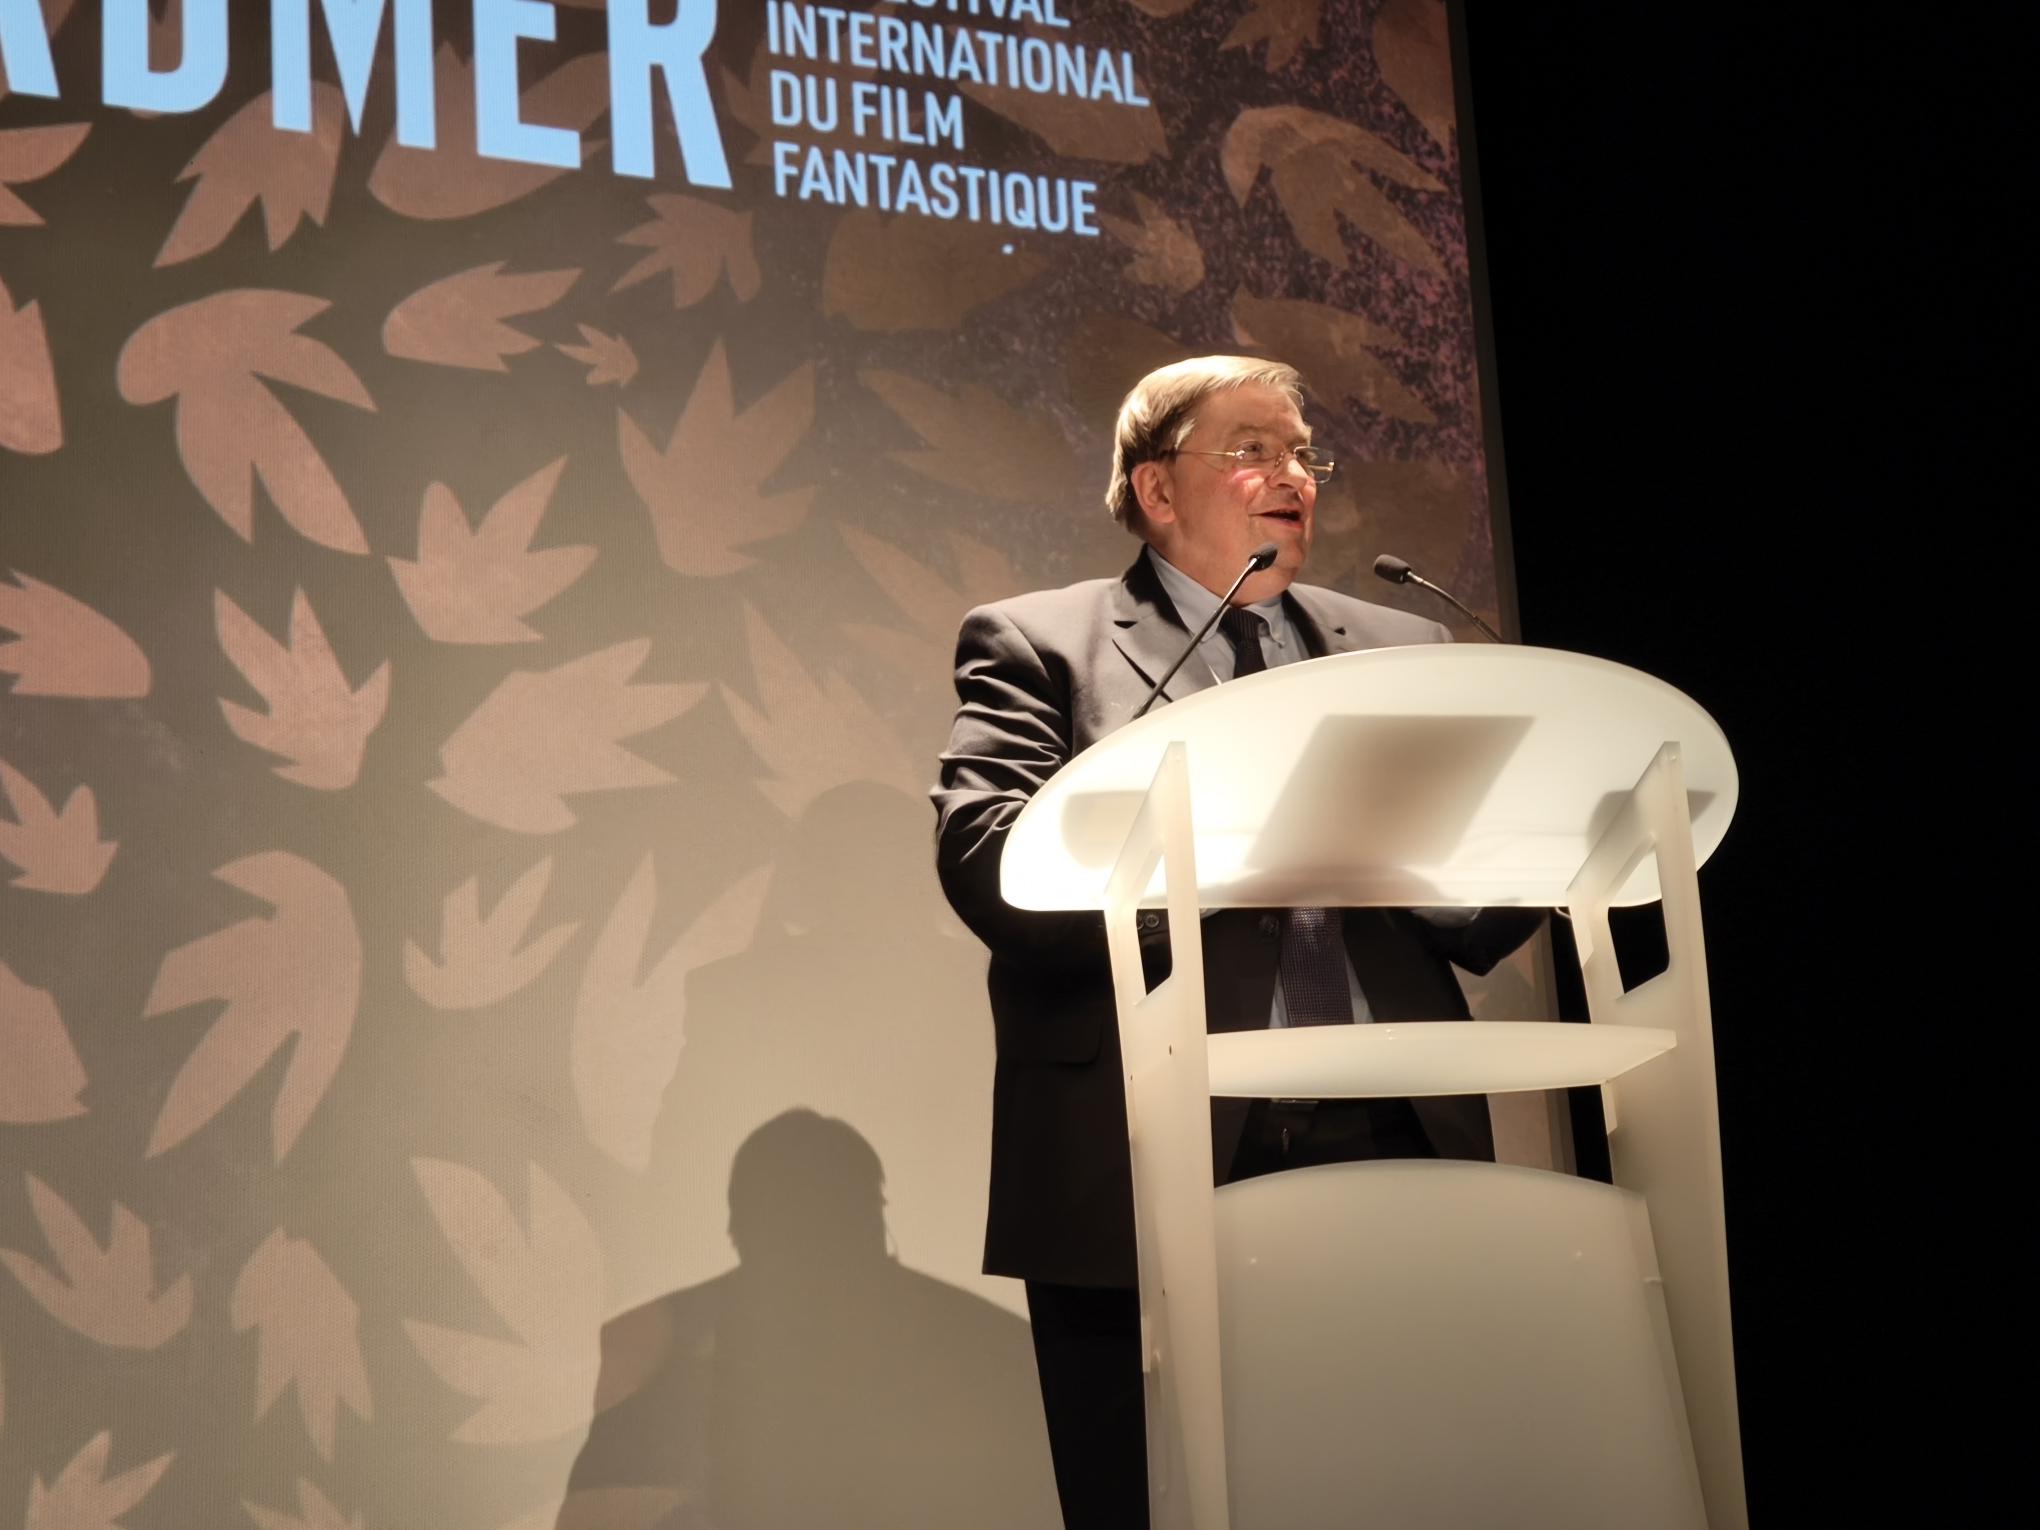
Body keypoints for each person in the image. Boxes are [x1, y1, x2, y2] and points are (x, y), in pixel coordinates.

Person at [930, 355, 1542, 1529]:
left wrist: (1553, 830)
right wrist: (1233, 844)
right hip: (1147, 1135)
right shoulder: (1043, 642)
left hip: (1389, 1121)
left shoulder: (1402, 645)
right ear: (1158, 490)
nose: (1294, 478)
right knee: (1152, 1490)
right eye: (1254, 451)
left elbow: (1471, 913)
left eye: (1305, 455)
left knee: (1399, 1484)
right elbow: (991, 865)